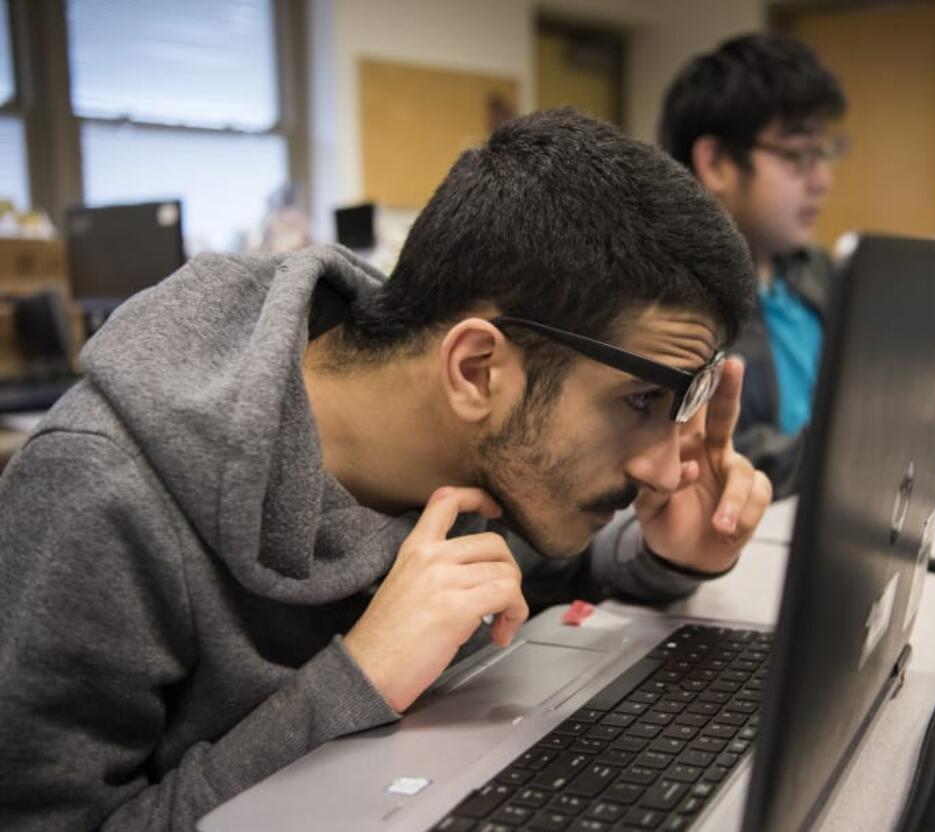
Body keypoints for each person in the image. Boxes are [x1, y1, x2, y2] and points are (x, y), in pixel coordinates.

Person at [0, 109, 772, 830]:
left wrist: (666, 553)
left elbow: (546, 574)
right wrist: (354, 682)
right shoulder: (101, 492)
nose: (670, 471)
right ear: (475, 370)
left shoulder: (469, 435)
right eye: (643, 400)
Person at [659, 33, 935, 495]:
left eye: (824, 154)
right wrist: (890, 442)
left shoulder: (818, 273)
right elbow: (716, 457)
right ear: (718, 162)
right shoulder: (670, 300)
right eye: (798, 156)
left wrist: (923, 423)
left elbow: (877, 401)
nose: (822, 180)